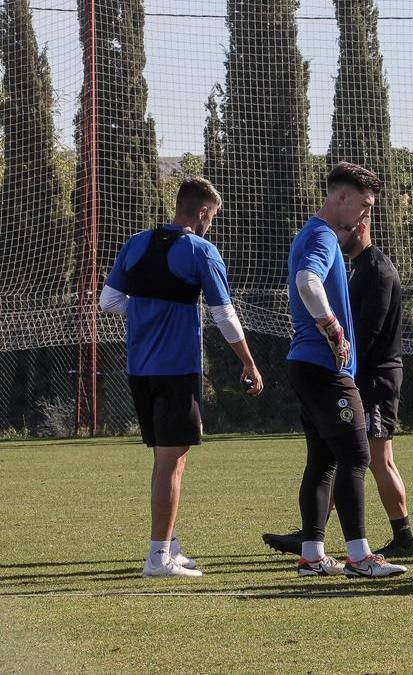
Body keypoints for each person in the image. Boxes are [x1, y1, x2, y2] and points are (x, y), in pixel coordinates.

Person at [99, 177, 264, 578]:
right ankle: (158, 558)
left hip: (139, 369)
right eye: (213, 217)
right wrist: (248, 362)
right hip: (176, 370)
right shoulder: (201, 250)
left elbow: (109, 301)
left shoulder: (136, 243)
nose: (212, 224)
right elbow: (223, 314)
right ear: (203, 212)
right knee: (172, 462)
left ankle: (169, 544)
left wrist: (149, 312)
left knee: (165, 459)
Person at [262, 213, 413, 560]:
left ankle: (404, 536)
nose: (338, 236)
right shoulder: (358, 268)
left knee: (376, 458)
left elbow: (368, 333)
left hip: (375, 376)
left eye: (344, 229)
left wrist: (343, 363)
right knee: (338, 455)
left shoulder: (377, 270)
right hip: (357, 373)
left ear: (360, 225)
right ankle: (311, 535)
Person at [285, 162, 405, 578]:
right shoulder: (322, 236)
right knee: (356, 455)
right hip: (324, 366)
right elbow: (307, 281)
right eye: (364, 205)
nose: (365, 215)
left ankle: (312, 555)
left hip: (305, 363)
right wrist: (334, 329)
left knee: (323, 461)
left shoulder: (309, 232)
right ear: (341, 197)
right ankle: (359, 557)